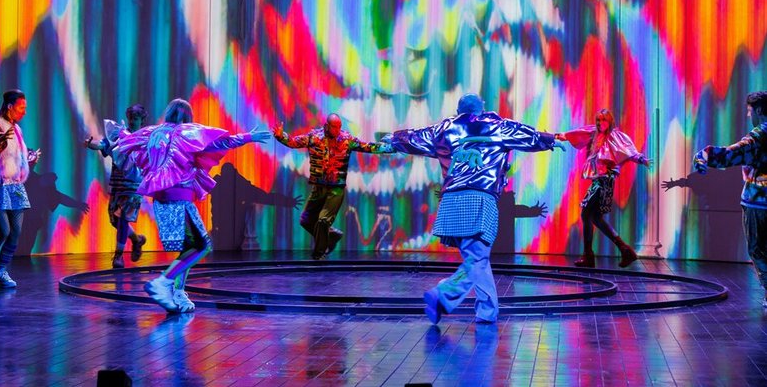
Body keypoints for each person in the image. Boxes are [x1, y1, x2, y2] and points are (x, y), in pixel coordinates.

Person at [389, 93, 562, 324]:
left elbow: (415, 137)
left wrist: (393, 139)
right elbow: (527, 135)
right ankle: (448, 297)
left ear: (458, 110)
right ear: (482, 107)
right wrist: (550, 139)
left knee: (476, 258)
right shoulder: (497, 126)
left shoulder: (442, 129)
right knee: (477, 258)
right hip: (479, 198)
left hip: (451, 201)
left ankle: (464, 305)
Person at [114, 98, 271, 313]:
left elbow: (127, 139)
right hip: (178, 197)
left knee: (190, 247)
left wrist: (120, 132)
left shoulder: (152, 133)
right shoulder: (187, 133)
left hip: (163, 198)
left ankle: (178, 291)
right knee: (201, 246)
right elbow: (219, 143)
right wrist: (248, 137)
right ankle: (163, 282)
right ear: (188, 117)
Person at [274, 113, 394, 259]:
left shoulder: (346, 139)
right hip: (319, 187)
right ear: (327, 126)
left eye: (339, 127)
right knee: (306, 221)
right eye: (334, 127)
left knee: (323, 220)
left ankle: (319, 254)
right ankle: (332, 236)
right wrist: (281, 136)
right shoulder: (314, 137)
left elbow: (367, 147)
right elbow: (294, 142)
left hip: (336, 189)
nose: (337, 130)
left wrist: (389, 148)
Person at [692, 91, 767, 306]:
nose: (748, 116)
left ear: (759, 110)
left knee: (758, 249)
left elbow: (732, 154)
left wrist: (704, 155)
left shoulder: (759, 135)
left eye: (750, 111)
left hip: (759, 202)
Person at [556, 108, 651, 268]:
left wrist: (641, 159)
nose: (600, 123)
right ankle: (624, 250)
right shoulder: (594, 134)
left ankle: (591, 255)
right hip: (598, 180)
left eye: (603, 120)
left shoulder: (615, 136)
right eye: (598, 120)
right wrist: (559, 136)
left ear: (610, 121)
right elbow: (576, 134)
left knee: (586, 213)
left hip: (605, 180)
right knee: (594, 218)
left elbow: (629, 151)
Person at [84, 104, 148, 268]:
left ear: (142, 120)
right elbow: (103, 144)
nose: (132, 121)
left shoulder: (145, 138)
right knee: (115, 220)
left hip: (133, 186)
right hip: (117, 184)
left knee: (123, 218)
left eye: (135, 118)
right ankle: (136, 240)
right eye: (130, 118)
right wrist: (91, 145)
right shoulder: (120, 135)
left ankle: (118, 256)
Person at [0, 90, 41, 288]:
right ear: (10, 106)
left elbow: (15, 158)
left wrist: (28, 160)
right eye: (21, 107)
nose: (24, 112)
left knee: (15, 232)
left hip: (16, 185)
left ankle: (0, 271)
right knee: (3, 231)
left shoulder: (16, 129)